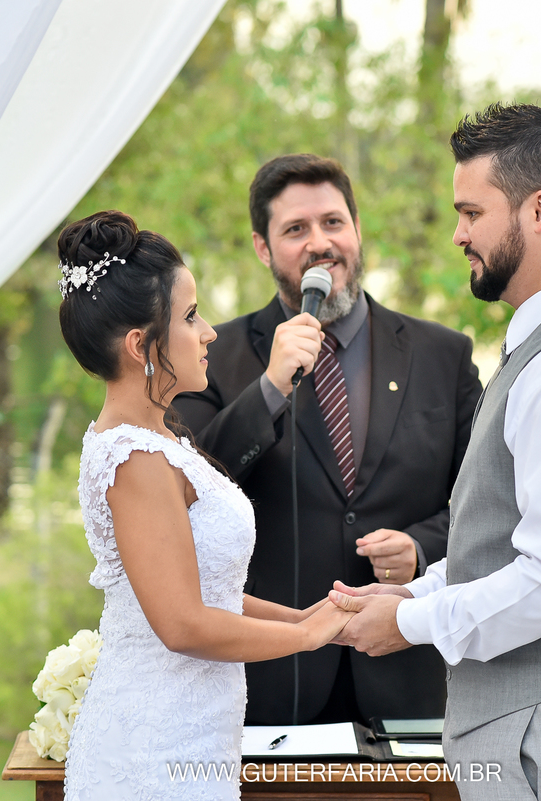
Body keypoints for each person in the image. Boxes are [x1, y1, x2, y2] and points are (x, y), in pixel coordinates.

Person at [330, 103, 541, 800]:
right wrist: (409, 591)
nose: (458, 234)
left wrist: (411, 621)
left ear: (539, 209)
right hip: (536, 725)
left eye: (472, 213)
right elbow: (509, 546)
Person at [174, 154, 482, 725]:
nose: (320, 243)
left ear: (357, 232)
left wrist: (421, 548)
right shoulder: (213, 355)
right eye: (296, 229)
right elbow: (184, 487)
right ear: (263, 249)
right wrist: (269, 387)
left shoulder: (444, 355)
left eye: (333, 223)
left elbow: (485, 504)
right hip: (270, 679)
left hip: (409, 674)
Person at [56, 210, 353, 801]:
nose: (210, 331)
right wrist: (307, 638)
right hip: (155, 753)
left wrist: (301, 616)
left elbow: (202, 588)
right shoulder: (134, 456)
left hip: (195, 737)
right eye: (190, 317)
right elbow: (182, 623)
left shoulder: (164, 435)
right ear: (142, 345)